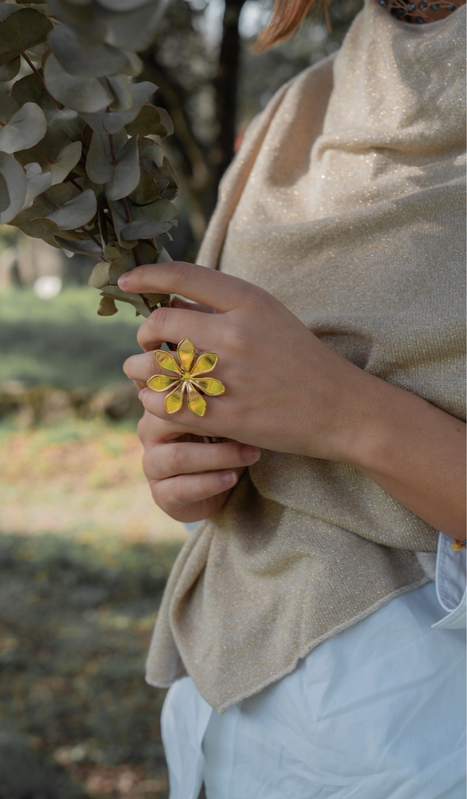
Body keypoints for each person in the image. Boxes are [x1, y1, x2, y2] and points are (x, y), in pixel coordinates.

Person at [121, 0, 466, 795]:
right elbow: (240, 401)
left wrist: (341, 413)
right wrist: (183, 453)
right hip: (219, 726)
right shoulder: (301, 108)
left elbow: (320, 401)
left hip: (423, 749)